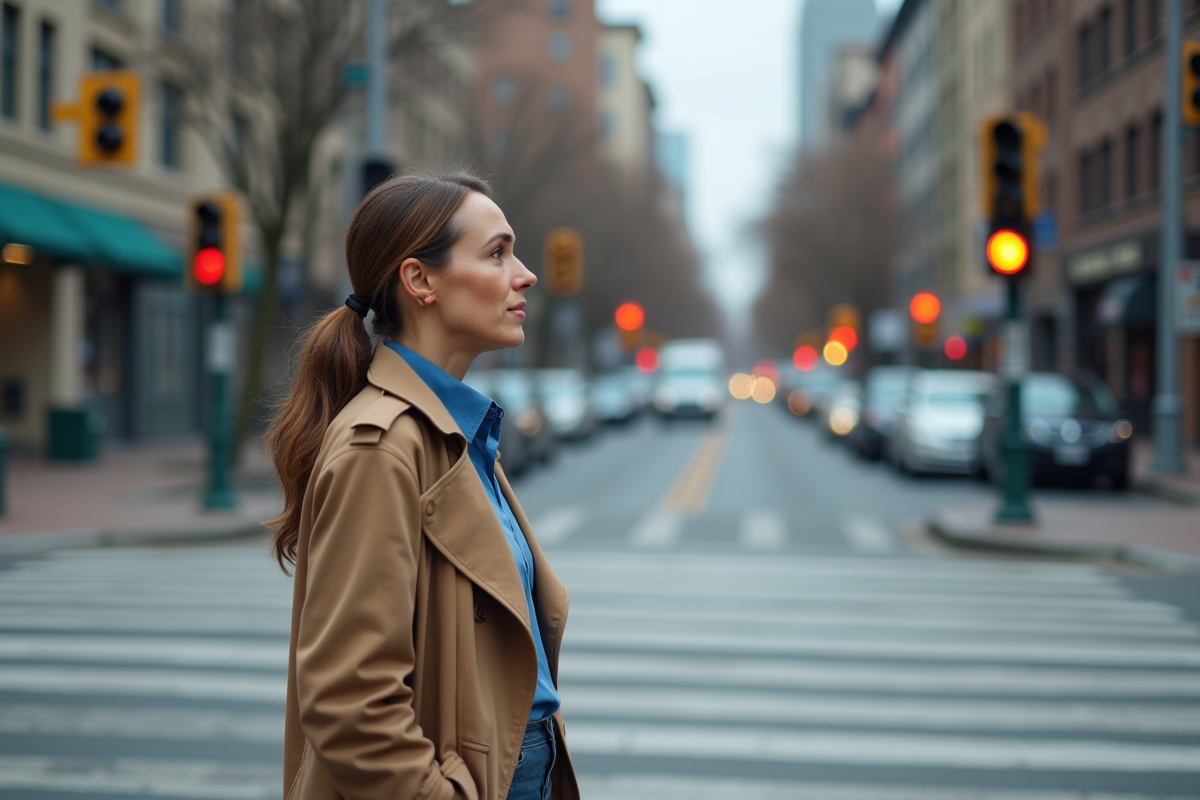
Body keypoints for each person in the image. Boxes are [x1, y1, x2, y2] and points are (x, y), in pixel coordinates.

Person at [266, 171, 579, 800]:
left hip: (518, 765)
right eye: (497, 252)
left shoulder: (454, 431)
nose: (526, 275)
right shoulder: (380, 447)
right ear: (420, 281)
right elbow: (350, 701)